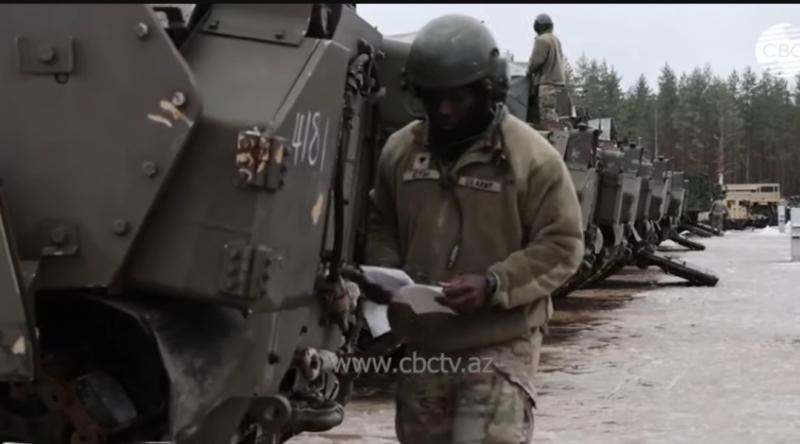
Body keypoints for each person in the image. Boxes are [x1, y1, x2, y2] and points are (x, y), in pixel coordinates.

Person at [366, 14, 584, 444]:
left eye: (458, 98)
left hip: (499, 343)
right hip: (425, 343)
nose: (444, 110)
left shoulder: (531, 158)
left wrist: (493, 283)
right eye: (433, 98)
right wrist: (388, 277)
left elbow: (562, 245)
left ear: (489, 90)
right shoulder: (401, 151)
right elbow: (380, 222)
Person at [526, 13, 566, 131]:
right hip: (558, 82)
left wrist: (528, 72)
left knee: (547, 115)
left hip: (547, 82)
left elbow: (536, 61)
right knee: (553, 114)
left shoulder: (542, 40)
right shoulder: (555, 39)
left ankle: (554, 138)